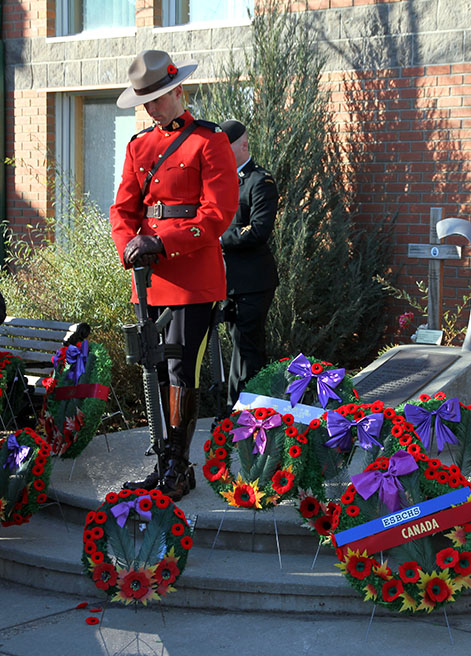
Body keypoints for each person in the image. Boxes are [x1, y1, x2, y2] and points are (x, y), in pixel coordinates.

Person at [110, 50, 238, 500]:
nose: (150, 108)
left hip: (193, 277)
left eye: (158, 98)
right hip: (148, 277)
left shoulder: (209, 140)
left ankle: (180, 468)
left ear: (178, 90)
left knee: (183, 369)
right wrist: (128, 245)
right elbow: (123, 209)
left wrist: (164, 242)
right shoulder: (138, 146)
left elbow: (218, 213)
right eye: (145, 101)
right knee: (155, 370)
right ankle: (162, 459)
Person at [218, 119, 279, 414]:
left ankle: (253, 417)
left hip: (253, 282)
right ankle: (236, 412)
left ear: (243, 145)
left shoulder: (260, 181)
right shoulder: (221, 180)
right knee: (238, 349)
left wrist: (216, 238)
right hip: (228, 282)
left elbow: (258, 230)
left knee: (248, 351)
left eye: (225, 148)